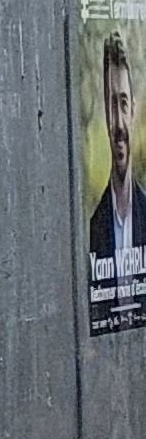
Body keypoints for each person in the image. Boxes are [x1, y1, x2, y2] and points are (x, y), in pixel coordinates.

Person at [90, 37, 143, 315]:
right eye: (112, 105)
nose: (119, 124)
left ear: (133, 109)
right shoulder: (92, 231)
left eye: (123, 103)